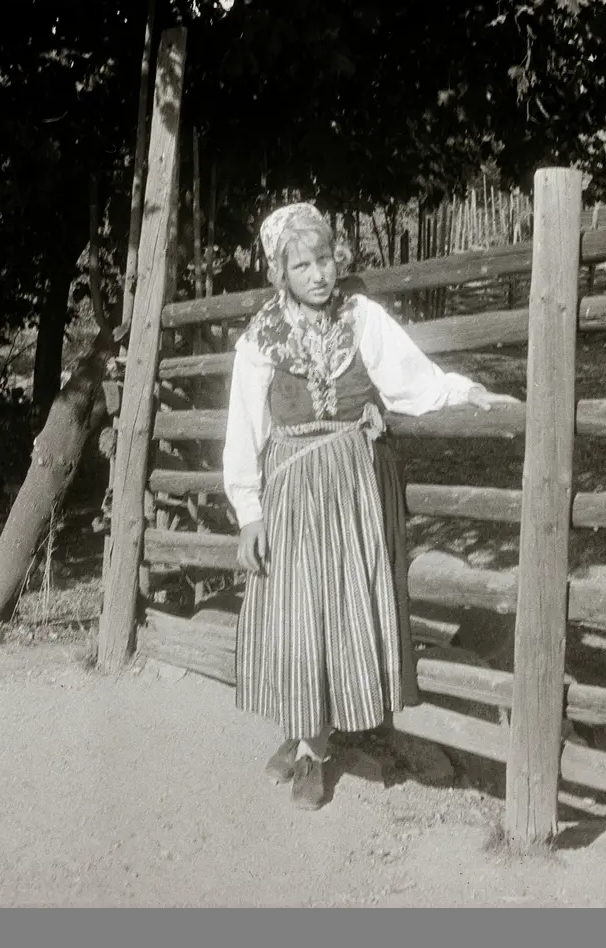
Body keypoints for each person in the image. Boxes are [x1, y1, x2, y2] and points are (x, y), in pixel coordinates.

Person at [222, 202, 520, 810]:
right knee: (298, 612)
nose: (317, 275)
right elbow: (244, 429)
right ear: (280, 273)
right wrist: (248, 511)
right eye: (301, 266)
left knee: (343, 608)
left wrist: (466, 391)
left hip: (353, 487)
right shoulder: (261, 339)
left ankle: (319, 741)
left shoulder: (361, 318)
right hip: (293, 491)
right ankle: (306, 739)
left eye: (324, 259)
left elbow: (412, 379)